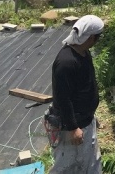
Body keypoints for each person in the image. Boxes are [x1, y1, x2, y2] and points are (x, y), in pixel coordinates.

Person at [45, 14, 105, 174]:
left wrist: (90, 116)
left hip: (85, 120)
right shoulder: (66, 62)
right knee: (66, 167)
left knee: (91, 165)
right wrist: (73, 128)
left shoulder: (84, 54)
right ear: (91, 38)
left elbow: (86, 87)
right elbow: (62, 99)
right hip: (71, 127)